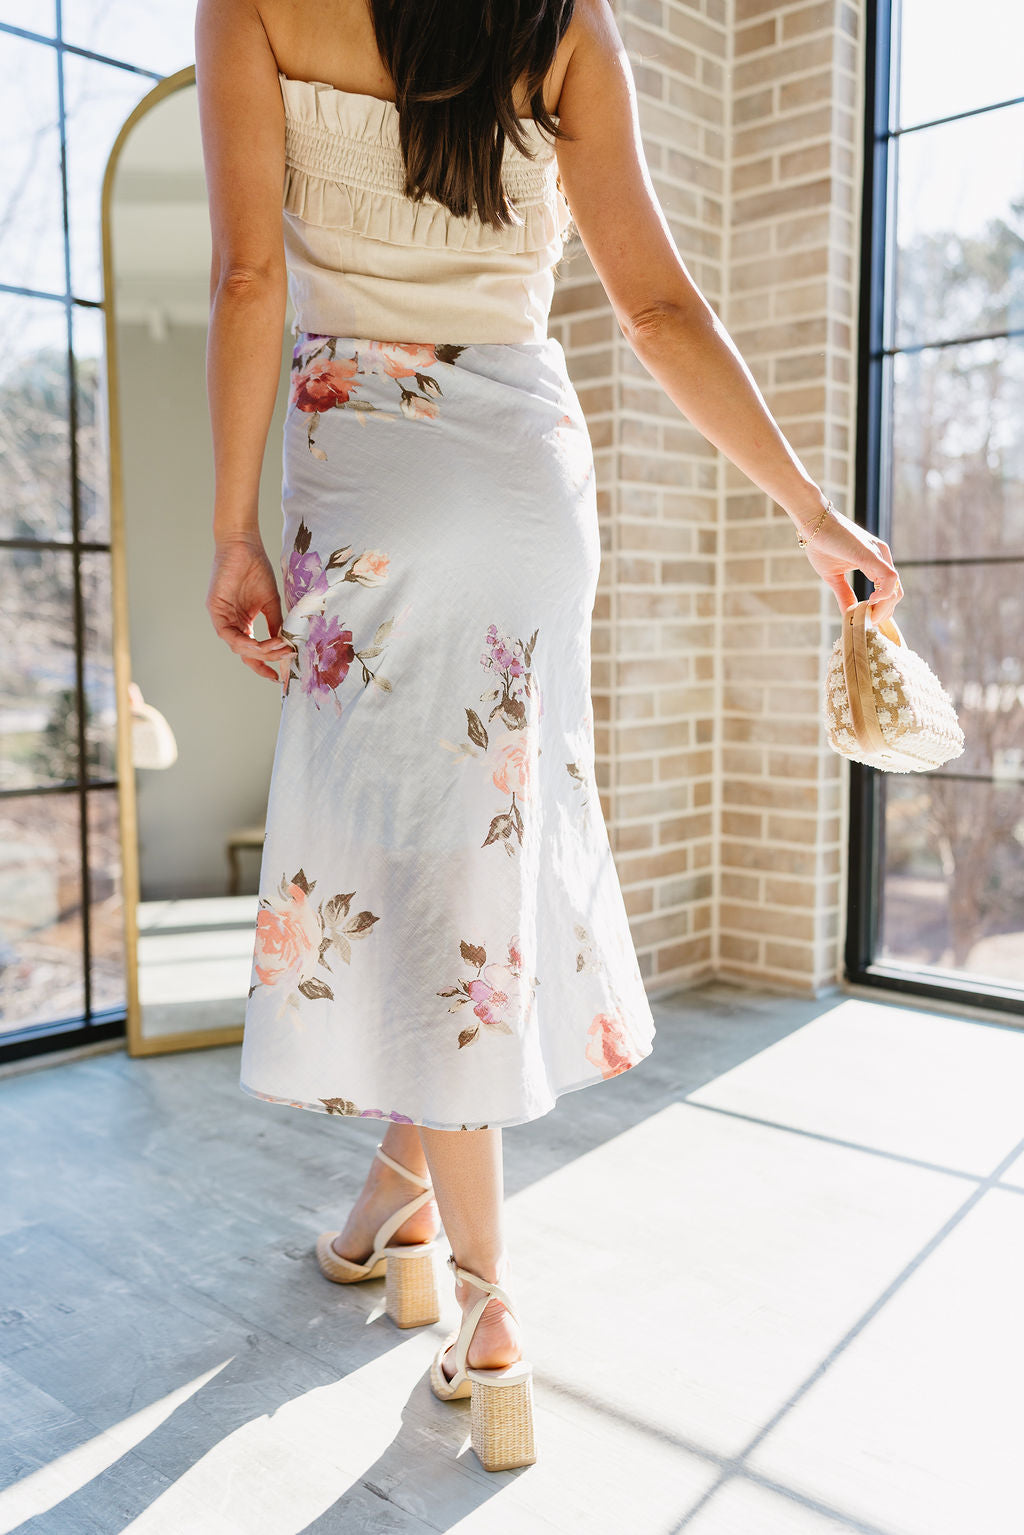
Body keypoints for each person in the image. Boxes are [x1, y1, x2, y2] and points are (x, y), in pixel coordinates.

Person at [194, 0, 903, 1473]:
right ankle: (394, 1198)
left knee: (415, 850)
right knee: (466, 852)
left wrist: (231, 532)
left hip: (370, 454)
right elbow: (657, 312)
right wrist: (806, 507)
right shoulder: (562, 21)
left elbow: (252, 273)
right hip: (529, 472)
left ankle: (493, 1304)